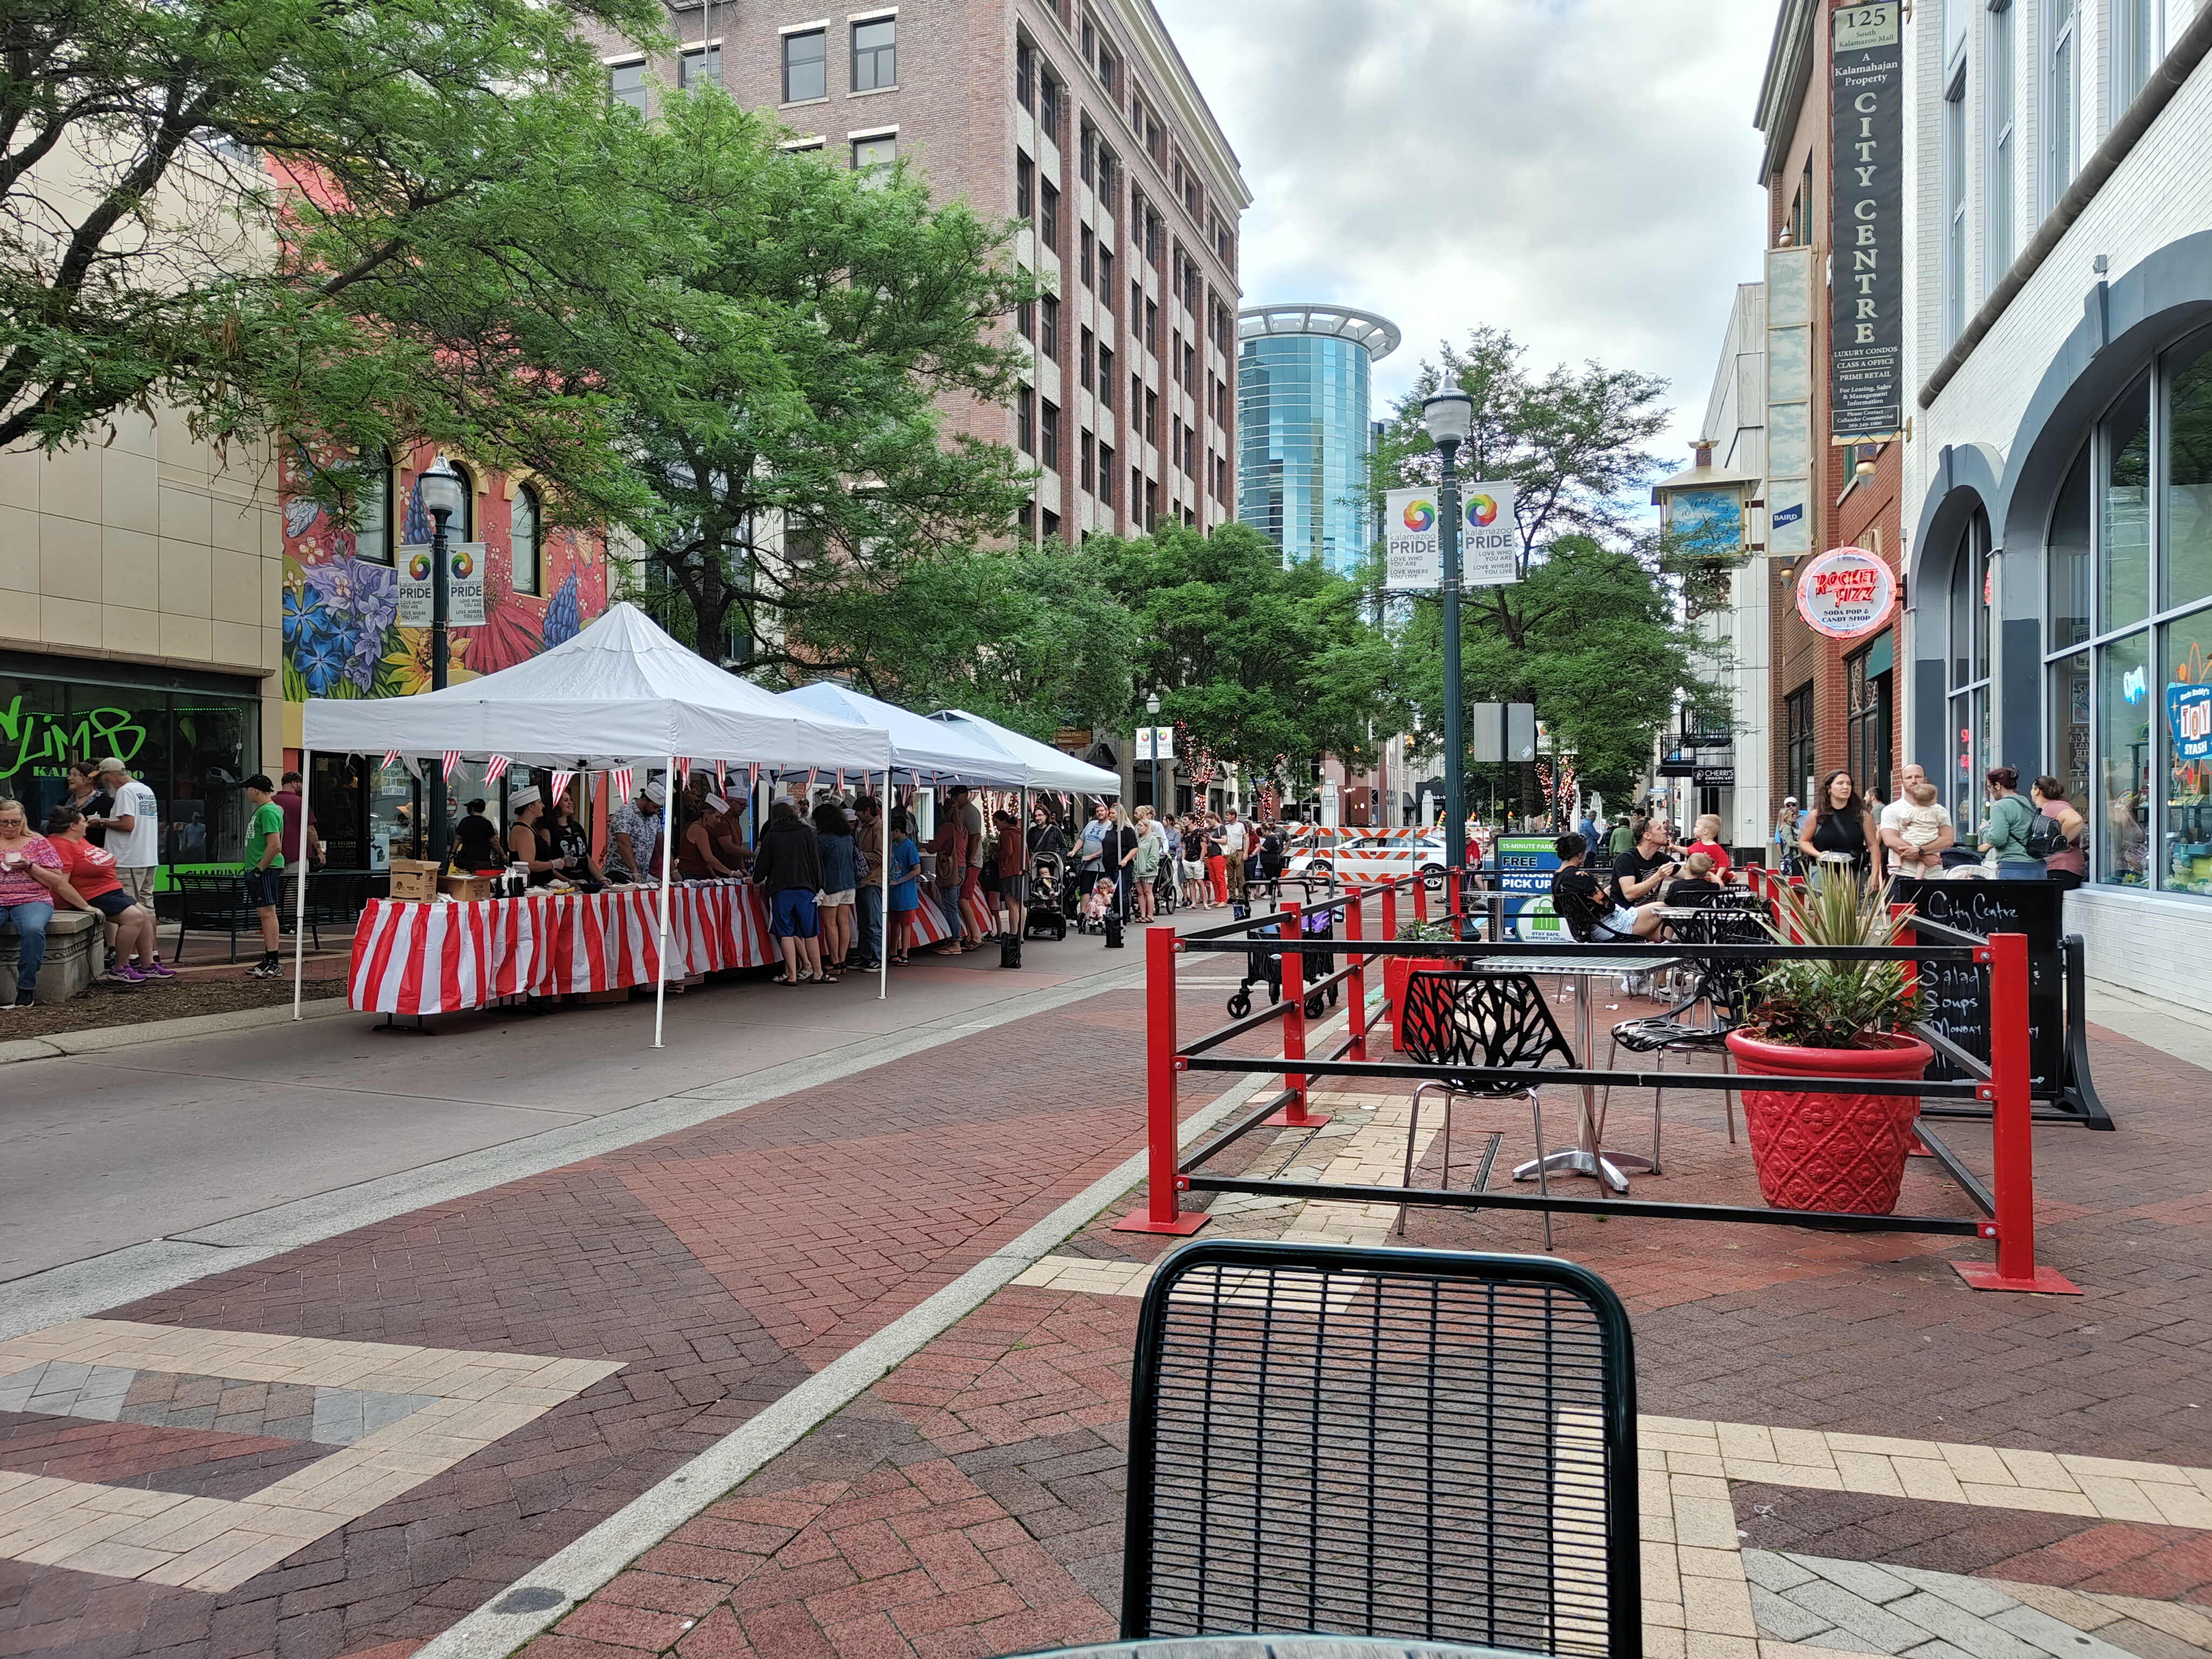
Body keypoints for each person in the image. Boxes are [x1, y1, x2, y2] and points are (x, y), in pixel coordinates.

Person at [45, 805, 164, 983]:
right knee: (133, 918)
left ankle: (148, 964)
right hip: (92, 894)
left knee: (144, 914)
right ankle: (120, 968)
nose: (87, 825)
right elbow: (61, 883)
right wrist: (86, 907)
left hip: (109, 890)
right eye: (84, 821)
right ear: (73, 825)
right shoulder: (60, 845)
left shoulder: (78, 840)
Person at [0, 796, 70, 1008]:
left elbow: (57, 880)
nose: (10, 826)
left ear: (23, 820)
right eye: (4, 822)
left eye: (15, 821)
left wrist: (30, 866)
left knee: (32, 930)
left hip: (33, 898)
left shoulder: (39, 843)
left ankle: (25, 990)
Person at [754, 799, 826, 984]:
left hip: (780, 889)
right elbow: (816, 863)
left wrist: (755, 878)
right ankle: (818, 973)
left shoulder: (771, 835)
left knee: (785, 932)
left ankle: (792, 976)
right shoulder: (807, 833)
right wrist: (820, 886)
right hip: (806, 888)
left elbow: (762, 865)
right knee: (810, 932)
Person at [1549, 831, 1662, 941]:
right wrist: (1605, 894)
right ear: (1579, 854)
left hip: (1586, 930)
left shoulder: (1557, 877)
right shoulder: (1582, 876)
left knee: (1657, 928)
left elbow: (1558, 908)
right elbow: (1608, 907)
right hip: (1608, 927)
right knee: (1662, 908)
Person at [94, 757, 160, 912]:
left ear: (110, 775)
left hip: (128, 859)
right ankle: (150, 938)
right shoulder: (145, 789)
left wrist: (102, 822)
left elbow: (127, 825)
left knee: (129, 908)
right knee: (147, 906)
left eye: (101, 776)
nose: (101, 782)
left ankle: (133, 937)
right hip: (147, 857)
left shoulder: (125, 791)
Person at [241, 774, 287, 978]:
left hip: (266, 869)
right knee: (264, 913)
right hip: (261, 868)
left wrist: (259, 869)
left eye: (248, 788)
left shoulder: (268, 811)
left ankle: (273, 960)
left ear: (256, 791)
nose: (246, 792)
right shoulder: (264, 810)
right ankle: (269, 958)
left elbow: (275, 844)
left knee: (268, 912)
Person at [1799, 771, 1877, 879]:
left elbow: (1873, 845)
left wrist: (1875, 874)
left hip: (1854, 873)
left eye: (1849, 784)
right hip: (1823, 872)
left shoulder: (1862, 816)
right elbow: (1804, 841)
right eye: (1840, 783)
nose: (1846, 787)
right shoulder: (1816, 816)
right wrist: (1818, 854)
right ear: (1829, 789)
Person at [813, 798, 858, 975]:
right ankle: (843, 960)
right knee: (844, 924)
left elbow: (816, 863)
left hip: (830, 885)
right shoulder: (848, 837)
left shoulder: (822, 839)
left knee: (830, 926)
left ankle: (835, 961)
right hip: (849, 883)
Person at [1978, 765, 2044, 878]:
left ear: (1998, 786)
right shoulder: (2025, 802)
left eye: (1990, 787)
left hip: (2014, 867)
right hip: (2037, 867)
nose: (1990, 792)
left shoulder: (1999, 806)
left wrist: (1985, 829)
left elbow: (1998, 839)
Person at [1883, 779, 1952, 879]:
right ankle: (1919, 877)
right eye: (1909, 777)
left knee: (1899, 842)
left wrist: (1918, 850)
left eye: (1918, 776)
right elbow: (1945, 837)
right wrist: (1923, 854)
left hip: (1914, 839)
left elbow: (1894, 838)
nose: (1914, 780)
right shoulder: (1939, 812)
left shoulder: (1910, 811)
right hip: (1930, 839)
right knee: (1922, 863)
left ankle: (1898, 861)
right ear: (1933, 800)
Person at [1611, 816, 1680, 913]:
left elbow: (1688, 874)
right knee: (1664, 909)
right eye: (1659, 829)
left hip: (1644, 916)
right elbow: (1629, 894)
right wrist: (1658, 876)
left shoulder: (1661, 859)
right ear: (1648, 836)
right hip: (1622, 917)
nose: (1664, 831)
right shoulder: (1626, 859)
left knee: (1670, 924)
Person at [2030, 776, 2087, 889]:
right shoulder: (2052, 807)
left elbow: (2076, 820)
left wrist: (2059, 843)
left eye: (2032, 788)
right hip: (2063, 869)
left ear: (2037, 791)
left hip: (2062, 869)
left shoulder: (2054, 807)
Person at [605, 778, 666, 884]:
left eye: (659, 808)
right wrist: (635, 871)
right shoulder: (626, 812)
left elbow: (662, 844)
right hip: (619, 873)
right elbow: (623, 844)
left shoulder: (654, 818)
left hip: (640, 876)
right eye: (655, 807)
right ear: (645, 800)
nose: (656, 811)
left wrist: (673, 870)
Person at [885, 807, 922, 965]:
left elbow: (917, 870)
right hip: (894, 892)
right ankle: (893, 951)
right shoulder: (894, 845)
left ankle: (905, 953)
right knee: (894, 923)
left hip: (905, 893)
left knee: (905, 924)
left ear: (898, 830)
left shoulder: (909, 847)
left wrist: (899, 881)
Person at [547, 792, 606, 887]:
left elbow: (585, 856)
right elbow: (548, 865)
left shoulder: (577, 827)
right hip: (562, 885)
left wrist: (601, 878)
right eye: (566, 800)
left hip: (585, 882)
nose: (570, 803)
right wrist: (570, 882)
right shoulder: (548, 830)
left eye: (571, 800)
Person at [852, 795, 884, 972]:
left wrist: (859, 855)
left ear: (868, 811)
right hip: (863, 881)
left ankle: (877, 958)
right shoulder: (862, 827)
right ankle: (866, 957)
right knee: (864, 923)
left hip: (873, 880)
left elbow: (881, 856)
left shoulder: (878, 827)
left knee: (874, 922)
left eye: (859, 812)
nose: (856, 815)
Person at [678, 793, 740, 880]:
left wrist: (714, 875)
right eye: (717, 817)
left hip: (693, 874)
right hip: (692, 875)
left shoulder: (700, 828)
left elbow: (705, 861)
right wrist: (731, 873)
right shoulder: (699, 830)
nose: (719, 821)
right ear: (707, 814)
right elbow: (709, 859)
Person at [273, 770, 323, 871]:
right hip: (297, 859)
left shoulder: (271, 802)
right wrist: (320, 852)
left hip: (273, 859)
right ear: (294, 783)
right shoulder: (301, 803)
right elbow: (310, 829)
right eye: (301, 783)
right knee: (296, 887)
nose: (303, 786)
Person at [992, 809, 1027, 936]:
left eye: (997, 822)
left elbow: (1008, 852)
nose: (996, 826)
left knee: (1011, 903)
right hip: (1021, 870)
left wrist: (995, 855)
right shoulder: (1019, 832)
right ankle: (1020, 934)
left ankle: (1013, 933)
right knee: (1020, 904)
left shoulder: (1006, 833)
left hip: (1010, 870)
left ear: (1004, 821)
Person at [64, 763, 112, 849]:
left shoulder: (106, 801)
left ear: (89, 779)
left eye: (75, 775)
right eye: (70, 775)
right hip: (68, 849)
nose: (69, 778)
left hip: (95, 851)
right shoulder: (65, 801)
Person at [1661, 850, 1727, 907]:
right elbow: (1721, 885)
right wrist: (1711, 874)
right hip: (1702, 918)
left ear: (1685, 867)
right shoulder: (1708, 886)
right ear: (1705, 872)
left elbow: (1668, 903)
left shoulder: (1675, 885)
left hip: (1679, 920)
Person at [453, 799, 503, 872]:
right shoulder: (487, 824)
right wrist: (503, 855)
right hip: (483, 860)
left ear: (472, 809)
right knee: (482, 882)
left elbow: (458, 840)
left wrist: (453, 854)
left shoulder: (465, 822)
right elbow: (494, 843)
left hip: (466, 861)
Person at [1132, 804, 1162, 921]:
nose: (1138, 828)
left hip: (1147, 870)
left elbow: (1154, 856)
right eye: (1138, 826)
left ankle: (1150, 915)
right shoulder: (1138, 839)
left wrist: (1147, 867)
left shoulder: (1153, 839)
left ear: (1146, 827)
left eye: (1140, 826)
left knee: (1148, 892)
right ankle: (1142, 915)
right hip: (1137, 869)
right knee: (1140, 893)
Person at [1112, 803, 1140, 917]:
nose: (1110, 816)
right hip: (1111, 865)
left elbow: (1134, 848)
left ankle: (1124, 918)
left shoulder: (1128, 830)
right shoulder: (1111, 829)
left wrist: (1125, 860)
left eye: (1113, 813)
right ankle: (1116, 916)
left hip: (1124, 866)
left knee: (1123, 892)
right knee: (1114, 894)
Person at [1684, 813, 1732, 880]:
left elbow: (1723, 865)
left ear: (1705, 831)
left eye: (1697, 827)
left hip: (1711, 878)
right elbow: (1687, 851)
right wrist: (1674, 847)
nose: (1694, 829)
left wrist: (1717, 877)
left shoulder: (1716, 848)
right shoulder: (1698, 844)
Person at [1222, 807, 1249, 905]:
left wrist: (1246, 852)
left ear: (1233, 815)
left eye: (1228, 815)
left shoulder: (1242, 825)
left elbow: (1246, 839)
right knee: (1230, 876)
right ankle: (1232, 895)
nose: (1226, 817)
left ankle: (1242, 895)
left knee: (1240, 875)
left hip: (1239, 851)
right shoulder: (1226, 826)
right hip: (1229, 852)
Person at [1772, 797, 1802, 872]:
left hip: (1792, 857)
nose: (1795, 816)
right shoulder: (1786, 828)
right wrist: (1804, 845)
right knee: (1795, 879)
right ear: (1786, 817)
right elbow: (1790, 843)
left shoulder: (1791, 826)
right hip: (1791, 857)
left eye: (1793, 805)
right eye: (1792, 815)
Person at [1204, 813, 1228, 907]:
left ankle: (1223, 900)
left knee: (1220, 878)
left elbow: (1224, 840)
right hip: (1210, 855)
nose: (1208, 823)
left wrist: (1212, 839)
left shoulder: (1221, 828)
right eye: (1207, 821)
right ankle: (1218, 899)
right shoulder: (1210, 829)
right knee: (1213, 879)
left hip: (1219, 855)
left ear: (1214, 818)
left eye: (1209, 821)